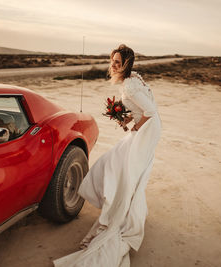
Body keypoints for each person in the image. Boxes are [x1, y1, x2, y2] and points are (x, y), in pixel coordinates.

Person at [53, 44, 161, 266]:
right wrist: (127, 119)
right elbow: (143, 110)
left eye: (117, 62)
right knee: (126, 170)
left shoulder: (130, 85)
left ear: (126, 64)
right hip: (149, 128)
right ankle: (122, 207)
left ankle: (118, 211)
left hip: (147, 132)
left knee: (114, 165)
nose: (113, 65)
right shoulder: (133, 79)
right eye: (112, 60)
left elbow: (150, 111)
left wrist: (134, 129)